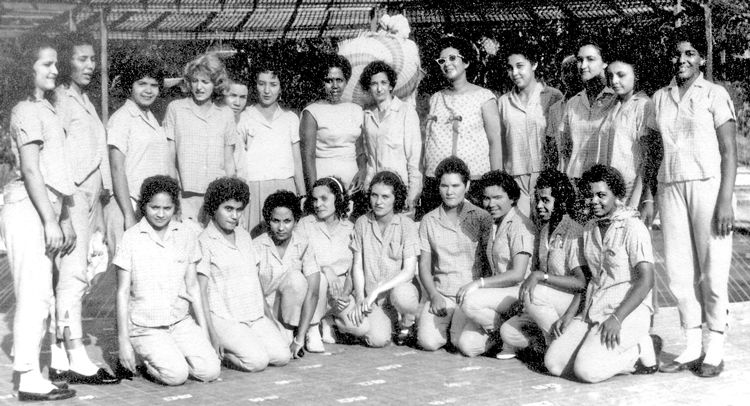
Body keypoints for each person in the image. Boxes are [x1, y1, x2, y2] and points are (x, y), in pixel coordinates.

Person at [648, 29, 737, 378]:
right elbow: (653, 152)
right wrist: (650, 198)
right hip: (670, 188)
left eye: (690, 53)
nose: (682, 59)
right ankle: (691, 343)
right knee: (680, 272)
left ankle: (715, 345)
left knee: (713, 271)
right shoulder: (659, 97)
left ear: (701, 58)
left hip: (707, 188)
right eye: (677, 53)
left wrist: (726, 201)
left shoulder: (715, 94)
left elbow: (730, 151)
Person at [0, 36, 78, 402]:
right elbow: (31, 170)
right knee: (32, 294)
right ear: (26, 68)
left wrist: (62, 218)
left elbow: (54, 170)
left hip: (45, 206)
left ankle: (33, 369)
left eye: (56, 63)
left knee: (42, 295)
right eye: (47, 64)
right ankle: (28, 377)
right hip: (28, 207)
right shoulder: (25, 110)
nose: (56, 70)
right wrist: (50, 220)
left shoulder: (44, 107)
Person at [545, 164, 659, 383]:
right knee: (555, 364)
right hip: (595, 309)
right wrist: (570, 314)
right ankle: (597, 350)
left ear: (616, 196)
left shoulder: (633, 228)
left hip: (627, 313)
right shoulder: (589, 228)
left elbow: (647, 280)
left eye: (601, 195)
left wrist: (617, 318)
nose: (594, 201)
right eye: (589, 195)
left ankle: (640, 349)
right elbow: (588, 278)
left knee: (588, 371)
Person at [52, 32, 119, 386]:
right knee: (72, 275)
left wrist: (104, 191)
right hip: (72, 198)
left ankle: (61, 356)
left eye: (93, 59)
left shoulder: (85, 99)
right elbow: (56, 155)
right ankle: (74, 354)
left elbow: (97, 149)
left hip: (92, 198)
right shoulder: (61, 100)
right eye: (81, 58)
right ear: (67, 62)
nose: (90, 65)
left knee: (76, 273)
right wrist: (64, 210)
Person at [115, 176, 220, 386]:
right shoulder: (131, 238)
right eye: (154, 207)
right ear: (144, 206)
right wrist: (123, 340)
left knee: (210, 371)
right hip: (146, 326)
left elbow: (193, 288)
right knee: (176, 376)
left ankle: (170, 353)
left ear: (175, 208)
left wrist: (204, 333)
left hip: (179, 322)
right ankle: (145, 359)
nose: (161, 214)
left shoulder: (186, 235)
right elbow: (122, 293)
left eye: (167, 208)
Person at [197, 177, 291, 372]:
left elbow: (255, 280)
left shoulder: (244, 235)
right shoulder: (204, 241)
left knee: (282, 356)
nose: (234, 215)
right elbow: (201, 292)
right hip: (224, 318)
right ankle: (226, 355)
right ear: (214, 208)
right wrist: (211, 334)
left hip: (253, 314)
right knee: (257, 362)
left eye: (239, 210)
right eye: (228, 209)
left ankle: (247, 344)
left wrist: (270, 318)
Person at [500, 169, 588, 361]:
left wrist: (542, 277)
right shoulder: (545, 229)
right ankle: (551, 343)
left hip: (571, 303)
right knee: (508, 331)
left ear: (561, 201)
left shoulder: (573, 231)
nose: (539, 205)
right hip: (547, 303)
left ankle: (560, 348)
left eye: (546, 200)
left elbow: (582, 283)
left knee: (535, 293)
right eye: (538, 199)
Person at [417, 157, 493, 352]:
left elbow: (489, 261)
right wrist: (434, 295)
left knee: (462, 345)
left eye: (455, 185)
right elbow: (424, 265)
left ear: (467, 186)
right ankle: (448, 326)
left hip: (470, 295)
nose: (450, 192)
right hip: (442, 294)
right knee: (428, 342)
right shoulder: (429, 220)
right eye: (444, 186)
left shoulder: (481, 217)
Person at [457, 170, 536, 357]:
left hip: (517, 293)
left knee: (469, 301)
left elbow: (518, 274)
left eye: (497, 197)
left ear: (512, 198)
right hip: (499, 296)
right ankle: (502, 334)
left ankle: (511, 335)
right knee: (467, 346)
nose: (491, 204)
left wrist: (479, 283)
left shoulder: (520, 225)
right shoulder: (494, 223)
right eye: (486, 198)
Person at [421, 36, 501, 215]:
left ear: (466, 62)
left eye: (452, 58)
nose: (446, 64)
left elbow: (495, 141)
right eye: (441, 60)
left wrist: (495, 182)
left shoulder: (484, 97)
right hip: (437, 182)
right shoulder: (435, 98)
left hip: (474, 181)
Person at [105, 55, 175, 258]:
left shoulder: (152, 118)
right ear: (130, 85)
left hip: (150, 209)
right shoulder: (121, 119)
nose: (148, 90)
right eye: (142, 83)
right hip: (128, 205)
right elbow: (117, 168)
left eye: (154, 85)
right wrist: (128, 215)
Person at [342, 171, 421, 347]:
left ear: (396, 198)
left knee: (403, 296)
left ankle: (407, 323)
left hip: (395, 294)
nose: (378, 202)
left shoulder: (406, 226)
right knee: (377, 340)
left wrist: (377, 291)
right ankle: (389, 324)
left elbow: (408, 272)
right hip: (372, 299)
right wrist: (361, 298)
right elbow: (358, 266)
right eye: (374, 195)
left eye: (385, 196)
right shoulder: (362, 222)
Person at [164, 53, 237, 224]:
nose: (199, 87)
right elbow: (169, 158)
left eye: (205, 82)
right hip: (184, 197)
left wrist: (230, 197)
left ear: (216, 84)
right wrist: (173, 197)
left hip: (217, 198)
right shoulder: (176, 109)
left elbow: (229, 161)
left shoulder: (225, 113)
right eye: (195, 81)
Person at [236, 64, 305, 235]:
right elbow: (238, 162)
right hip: (254, 189)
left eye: (273, 85)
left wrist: (302, 196)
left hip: (285, 187)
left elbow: (297, 161)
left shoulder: (290, 118)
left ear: (281, 88)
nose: (267, 90)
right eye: (261, 83)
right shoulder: (244, 117)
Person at [254, 191, 322, 357]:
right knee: (279, 354)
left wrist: (299, 340)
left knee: (297, 279)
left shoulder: (304, 244)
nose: (281, 227)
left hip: (287, 314)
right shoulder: (256, 245)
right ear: (268, 220)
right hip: (262, 312)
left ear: (296, 221)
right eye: (275, 221)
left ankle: (293, 332)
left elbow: (313, 292)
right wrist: (271, 325)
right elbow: (255, 292)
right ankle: (282, 335)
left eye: (287, 221)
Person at [498, 45, 563, 217]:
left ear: (534, 65)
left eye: (520, 66)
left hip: (545, 176)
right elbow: (500, 144)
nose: (514, 73)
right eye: (510, 68)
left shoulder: (554, 96)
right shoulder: (503, 102)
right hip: (516, 177)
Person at [297, 176, 354, 349]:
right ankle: (312, 329)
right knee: (319, 278)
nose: (318, 204)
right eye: (314, 199)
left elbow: (354, 267)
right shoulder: (306, 224)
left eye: (324, 198)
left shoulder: (350, 228)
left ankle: (328, 319)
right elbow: (297, 259)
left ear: (338, 198)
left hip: (339, 291)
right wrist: (325, 269)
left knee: (360, 328)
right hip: (314, 287)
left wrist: (346, 292)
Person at [359, 61, 422, 215]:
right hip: (377, 192)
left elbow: (414, 157)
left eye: (383, 83)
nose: (379, 88)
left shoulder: (405, 111)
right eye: (374, 84)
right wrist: (368, 189)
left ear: (391, 85)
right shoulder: (367, 115)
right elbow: (370, 159)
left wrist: (412, 195)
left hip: (401, 190)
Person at [300, 55, 365, 194]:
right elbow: (308, 157)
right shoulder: (312, 112)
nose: (335, 86)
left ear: (346, 81)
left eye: (339, 80)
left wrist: (363, 171)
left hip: (353, 185)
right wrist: (314, 192)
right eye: (329, 80)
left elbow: (360, 151)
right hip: (325, 184)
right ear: (322, 82)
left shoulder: (356, 109)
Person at [599, 53, 654, 208]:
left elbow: (647, 158)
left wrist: (638, 199)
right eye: (611, 76)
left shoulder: (644, 106)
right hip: (608, 189)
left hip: (630, 190)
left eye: (621, 75)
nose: (614, 81)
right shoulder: (611, 104)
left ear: (636, 76)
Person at [559, 42, 618, 182]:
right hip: (574, 182)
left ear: (605, 62)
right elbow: (565, 151)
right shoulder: (573, 103)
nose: (583, 66)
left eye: (590, 59)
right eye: (580, 60)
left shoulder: (616, 101)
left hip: (603, 185)